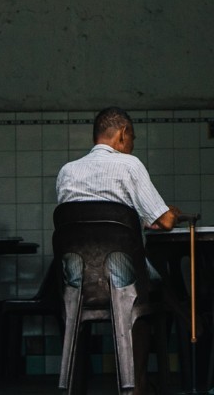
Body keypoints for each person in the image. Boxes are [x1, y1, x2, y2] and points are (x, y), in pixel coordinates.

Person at [54, 107, 181, 290]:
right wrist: (171, 213)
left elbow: (85, 217)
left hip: (77, 280)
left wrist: (139, 220)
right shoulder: (130, 164)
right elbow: (167, 221)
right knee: (164, 279)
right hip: (125, 280)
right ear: (123, 134)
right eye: (132, 139)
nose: (132, 145)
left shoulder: (66, 172)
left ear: (95, 138)